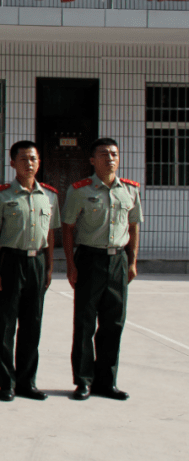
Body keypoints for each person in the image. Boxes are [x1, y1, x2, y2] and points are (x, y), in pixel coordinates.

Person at [62, 138, 142, 401]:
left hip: (117, 260)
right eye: (103, 154)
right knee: (85, 322)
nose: (110, 158)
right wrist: (71, 265)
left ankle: (107, 381)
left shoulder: (129, 190)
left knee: (113, 323)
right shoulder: (79, 190)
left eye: (114, 154)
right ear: (92, 160)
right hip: (89, 259)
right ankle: (83, 381)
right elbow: (68, 228)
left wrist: (132, 261)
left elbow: (133, 226)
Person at [0, 140, 60, 402]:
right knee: (6, 324)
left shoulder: (49, 195)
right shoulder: (1, 195)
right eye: (24, 159)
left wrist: (50, 267)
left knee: (32, 324)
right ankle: (7, 382)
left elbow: (50, 234)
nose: (29, 164)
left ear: (39, 162)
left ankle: (27, 381)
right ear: (12, 162)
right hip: (11, 262)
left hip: (37, 262)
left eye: (33, 159)